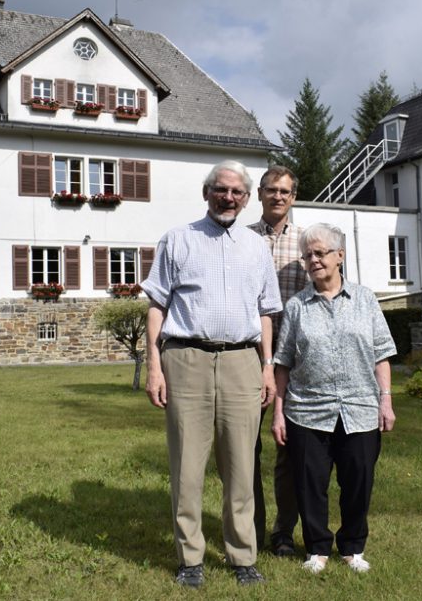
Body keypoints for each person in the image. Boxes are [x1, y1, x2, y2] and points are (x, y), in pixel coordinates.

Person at [141, 160, 282, 589]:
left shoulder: (257, 247)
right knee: (187, 465)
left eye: (238, 192)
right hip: (186, 360)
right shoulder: (178, 240)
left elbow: (265, 312)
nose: (229, 198)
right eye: (221, 190)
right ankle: (190, 557)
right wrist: (153, 364)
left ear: (247, 198)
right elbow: (156, 305)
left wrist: (267, 366)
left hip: (243, 362)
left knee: (241, 464)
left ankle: (242, 555)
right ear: (207, 193)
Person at [271, 223, 397, 574]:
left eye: (320, 253)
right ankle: (317, 549)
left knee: (358, 480)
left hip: (359, 408)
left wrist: (385, 401)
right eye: (307, 255)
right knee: (310, 483)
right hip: (307, 410)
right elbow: (283, 363)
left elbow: (381, 354)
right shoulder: (297, 306)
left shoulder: (365, 299)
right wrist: (279, 413)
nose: (313, 260)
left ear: (340, 256)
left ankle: (352, 547)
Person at [246, 165, 308, 557]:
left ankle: (283, 531)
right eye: (271, 190)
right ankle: (249, 527)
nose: (278, 197)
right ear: (260, 194)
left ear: (293, 196)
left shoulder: (307, 242)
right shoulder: (240, 237)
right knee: (244, 446)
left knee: (291, 447)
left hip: (296, 355)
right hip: (247, 352)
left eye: (285, 191)